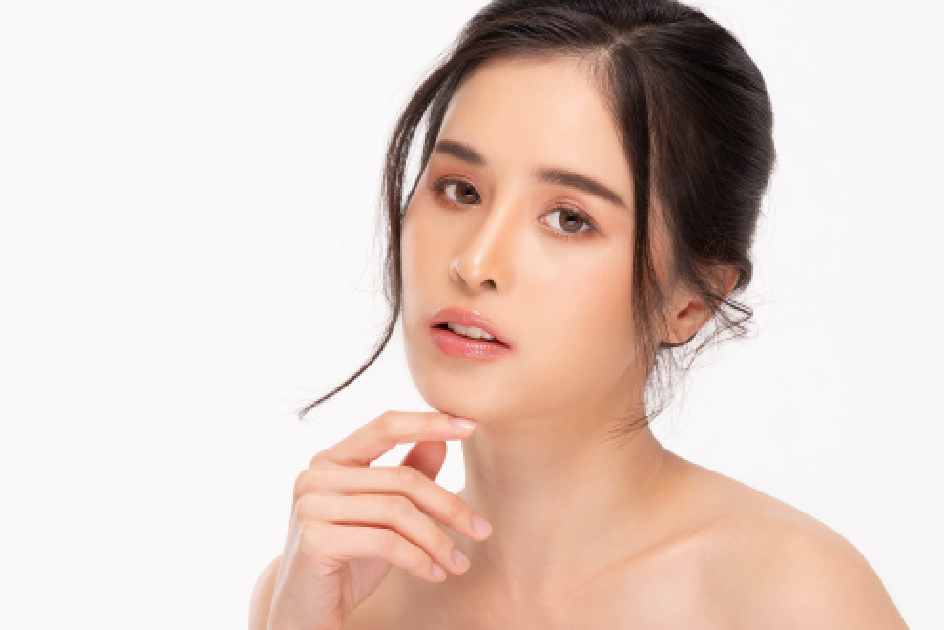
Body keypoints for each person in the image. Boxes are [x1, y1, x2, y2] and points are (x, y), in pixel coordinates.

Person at [249, 1, 909, 627]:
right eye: (461, 189)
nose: (475, 262)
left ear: (690, 302)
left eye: (570, 219)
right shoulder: (331, 589)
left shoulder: (792, 599)